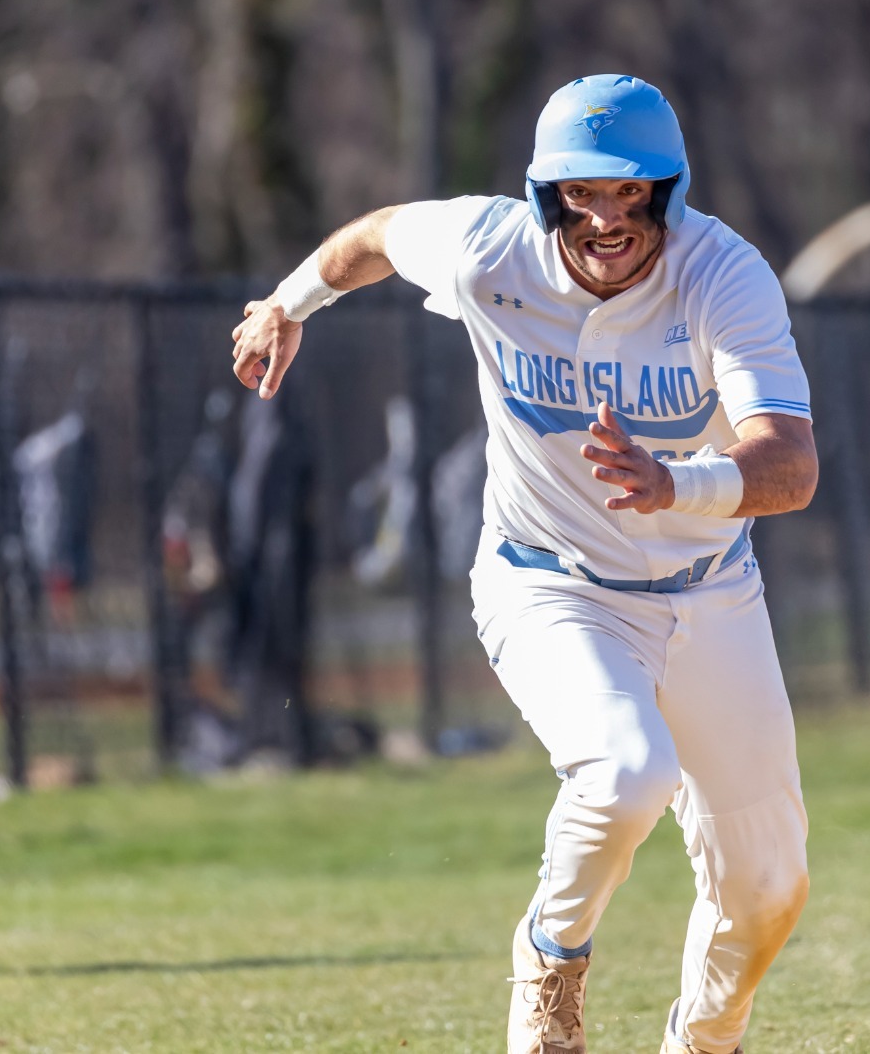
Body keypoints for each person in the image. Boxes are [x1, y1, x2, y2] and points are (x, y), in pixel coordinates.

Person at [232, 74, 817, 1054]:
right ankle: (550, 963)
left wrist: (677, 484)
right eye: (582, 193)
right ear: (546, 194)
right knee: (626, 770)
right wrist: (287, 303)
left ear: (669, 191)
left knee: (769, 888)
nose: (606, 217)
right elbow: (375, 233)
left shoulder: (723, 274)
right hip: (549, 580)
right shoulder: (487, 249)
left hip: (708, 590)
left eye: (633, 193)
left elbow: (789, 465)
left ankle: (705, 1037)